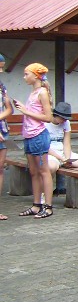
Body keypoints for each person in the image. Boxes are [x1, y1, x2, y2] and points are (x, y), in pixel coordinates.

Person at [14, 63, 55, 219]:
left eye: (26, 74)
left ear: (36, 76)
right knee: (33, 172)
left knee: (44, 171)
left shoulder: (42, 92)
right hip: (28, 136)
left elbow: (48, 117)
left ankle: (48, 207)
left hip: (38, 136)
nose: (24, 77)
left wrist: (25, 111)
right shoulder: (33, 92)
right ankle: (36, 205)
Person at [46, 102, 78, 196]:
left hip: (63, 152)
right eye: (62, 118)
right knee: (51, 167)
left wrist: (67, 158)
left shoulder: (66, 123)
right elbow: (45, 147)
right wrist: (61, 158)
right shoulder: (45, 123)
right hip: (50, 153)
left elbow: (66, 143)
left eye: (66, 119)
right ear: (56, 115)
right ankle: (46, 194)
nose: (64, 121)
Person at [0, 54, 12, 220]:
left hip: (3, 131)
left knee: (0, 168)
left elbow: (9, 108)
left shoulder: (1, 86)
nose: (1, 71)